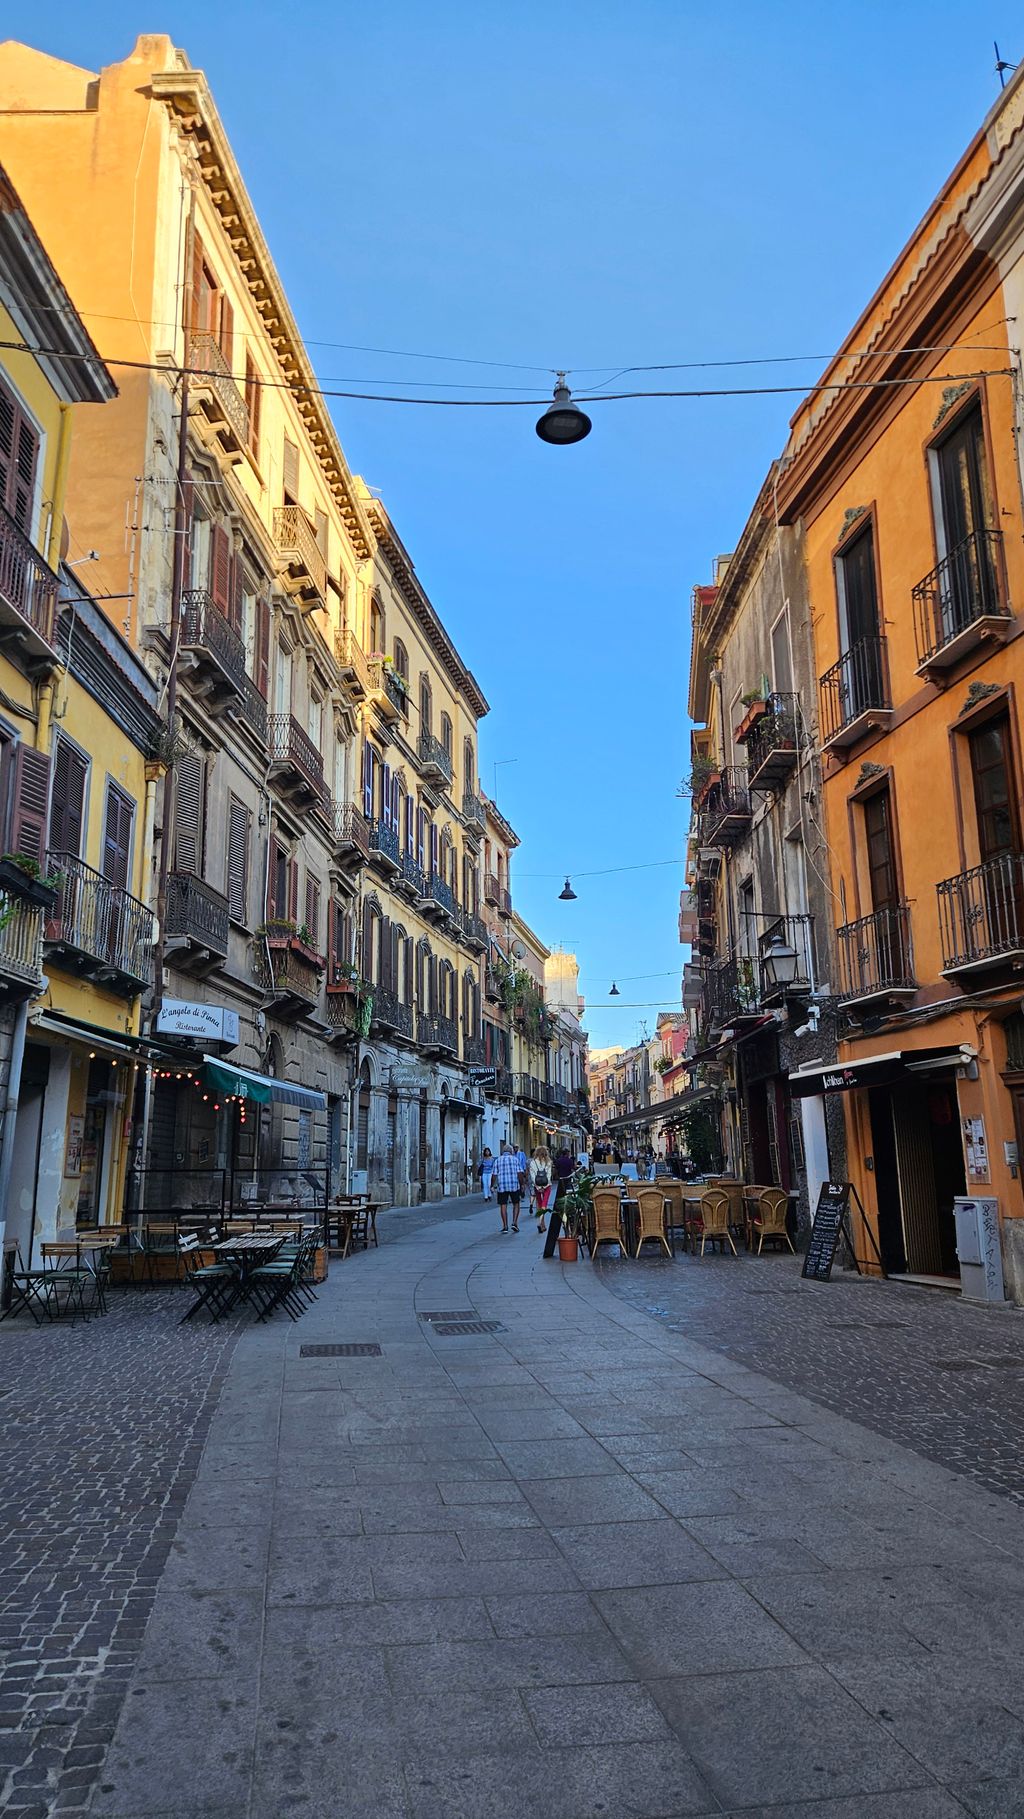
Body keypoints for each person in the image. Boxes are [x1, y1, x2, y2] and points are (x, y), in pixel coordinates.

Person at [542, 1148, 577, 1258]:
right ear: (567, 1153)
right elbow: (573, 1168)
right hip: (568, 1181)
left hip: (561, 1181)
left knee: (561, 1202)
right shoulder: (569, 1160)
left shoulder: (558, 1161)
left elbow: (555, 1169)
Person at [493, 1140, 526, 1233]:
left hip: (502, 1186)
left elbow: (494, 1174)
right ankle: (514, 1223)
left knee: (503, 1205)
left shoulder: (498, 1160)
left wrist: (492, 1185)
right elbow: (519, 1173)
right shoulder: (515, 1160)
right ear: (511, 1151)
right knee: (516, 1203)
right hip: (514, 1185)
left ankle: (505, 1226)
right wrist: (522, 1184)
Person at [529, 1145, 552, 1228]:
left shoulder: (533, 1163)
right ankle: (540, 1223)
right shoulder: (548, 1162)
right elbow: (549, 1175)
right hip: (547, 1186)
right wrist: (544, 1186)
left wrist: (538, 1187)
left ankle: (542, 1223)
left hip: (537, 1186)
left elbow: (532, 1176)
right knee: (544, 1204)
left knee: (539, 1203)